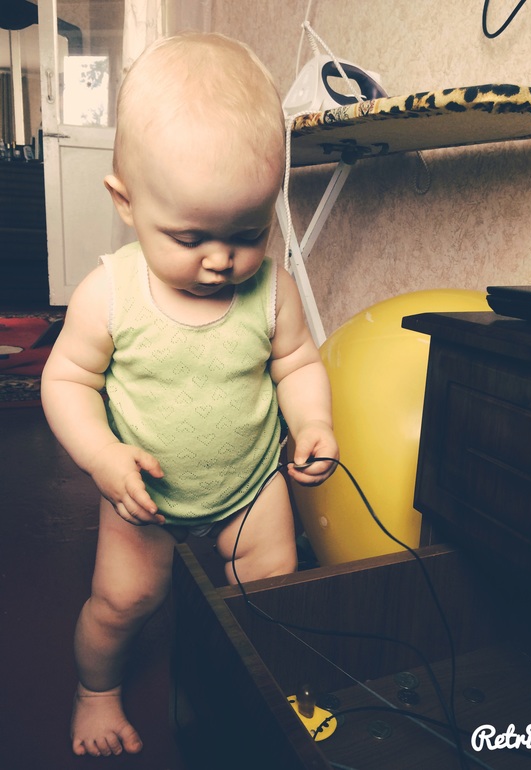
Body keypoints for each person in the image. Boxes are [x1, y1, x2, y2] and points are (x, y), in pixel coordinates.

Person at [41, 31, 338, 758]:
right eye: (190, 236)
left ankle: (266, 683)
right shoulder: (110, 293)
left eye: (248, 232)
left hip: (249, 484)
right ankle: (95, 692)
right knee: (123, 602)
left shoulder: (272, 290)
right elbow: (67, 379)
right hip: (143, 494)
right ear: (126, 202)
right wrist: (102, 456)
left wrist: (313, 421)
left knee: (271, 584)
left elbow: (297, 361)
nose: (221, 260)